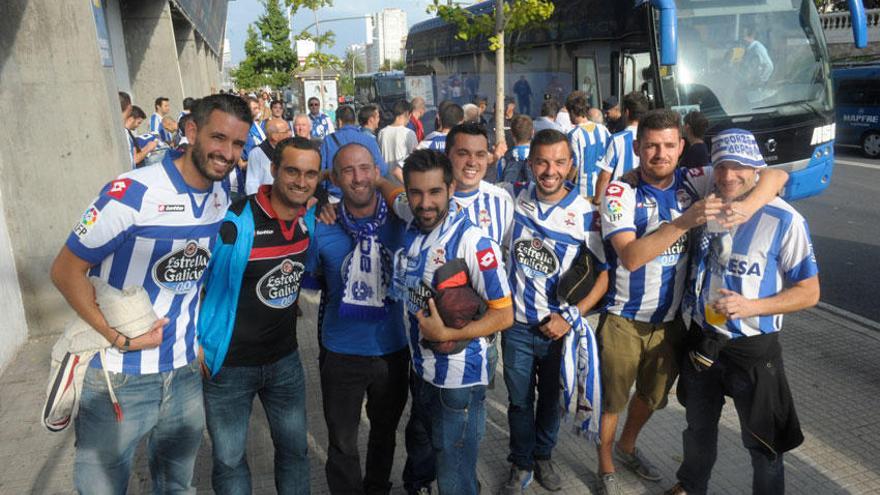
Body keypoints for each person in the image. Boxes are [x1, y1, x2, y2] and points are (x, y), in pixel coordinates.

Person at [49, 94, 251, 494]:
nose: (228, 153)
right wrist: (118, 338)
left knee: (177, 486)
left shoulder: (218, 197)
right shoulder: (131, 192)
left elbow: (196, 279)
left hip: (183, 376)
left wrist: (195, 344)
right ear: (191, 131)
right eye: (219, 138)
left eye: (238, 144)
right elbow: (65, 271)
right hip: (118, 377)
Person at [595, 110, 789, 495]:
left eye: (668, 145)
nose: (659, 153)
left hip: (672, 322)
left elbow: (775, 175)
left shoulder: (694, 181)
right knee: (613, 399)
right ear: (636, 147)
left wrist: (748, 208)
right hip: (624, 318)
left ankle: (628, 446)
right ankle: (605, 465)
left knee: (653, 396)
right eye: (650, 145)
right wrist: (684, 222)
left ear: (682, 148)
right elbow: (631, 257)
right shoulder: (620, 192)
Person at [665, 129, 819, 495]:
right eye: (722, 167)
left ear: (755, 169)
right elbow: (662, 171)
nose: (729, 176)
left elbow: (810, 292)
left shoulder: (786, 220)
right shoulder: (710, 198)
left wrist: (753, 306)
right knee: (698, 429)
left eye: (740, 168)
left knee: (763, 445)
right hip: (704, 340)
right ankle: (690, 486)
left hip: (754, 347)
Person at [199, 136, 320, 495]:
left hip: (285, 361)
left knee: (295, 453)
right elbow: (195, 283)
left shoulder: (308, 220)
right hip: (228, 367)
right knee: (230, 461)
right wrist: (196, 343)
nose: (301, 181)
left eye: (310, 174)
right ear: (273, 171)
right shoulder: (236, 221)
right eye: (293, 171)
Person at [395, 149, 514, 495]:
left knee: (455, 474)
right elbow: (390, 194)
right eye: (416, 192)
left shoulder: (473, 241)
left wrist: (447, 332)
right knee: (425, 445)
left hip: (458, 381)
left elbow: (504, 314)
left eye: (434, 192)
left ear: (450, 188)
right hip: (422, 371)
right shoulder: (412, 224)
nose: (425, 202)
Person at [499, 129, 609, 494]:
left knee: (550, 399)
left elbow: (603, 277)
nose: (550, 170)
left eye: (559, 162)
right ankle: (520, 461)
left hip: (557, 328)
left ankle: (543, 455)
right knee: (518, 401)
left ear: (571, 166)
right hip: (515, 325)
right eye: (542, 161)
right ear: (529, 163)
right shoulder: (511, 197)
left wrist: (571, 317)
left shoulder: (585, 214)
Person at [305, 143, 410, 494]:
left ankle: (378, 487)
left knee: (383, 433)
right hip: (341, 352)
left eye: (365, 168)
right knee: (342, 443)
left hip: (391, 350)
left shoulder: (402, 220)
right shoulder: (321, 225)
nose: (358, 177)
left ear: (377, 172)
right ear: (334, 178)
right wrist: (317, 203)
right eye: (348, 170)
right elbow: (309, 279)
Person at [319, 105, 388, 199]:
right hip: (362, 195)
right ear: (353, 120)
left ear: (339, 121)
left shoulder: (328, 140)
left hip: (336, 196)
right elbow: (382, 169)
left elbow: (322, 171)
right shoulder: (369, 140)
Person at [594, 91, 650, 206]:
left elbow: (605, 175)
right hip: (646, 199)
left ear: (627, 112)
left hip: (619, 201)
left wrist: (597, 201)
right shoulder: (652, 138)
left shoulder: (617, 139)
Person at [567, 93, 611, 202]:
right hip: (602, 187)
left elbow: (575, 163)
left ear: (572, 112)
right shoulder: (603, 129)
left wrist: (565, 183)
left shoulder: (574, 134)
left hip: (582, 189)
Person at [246, 118, 293, 195]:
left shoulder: (292, 151)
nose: (290, 134)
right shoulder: (257, 153)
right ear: (274, 136)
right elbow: (251, 185)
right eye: (286, 131)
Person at [378, 99, 419, 180]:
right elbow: (415, 159)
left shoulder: (382, 133)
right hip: (402, 182)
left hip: (387, 184)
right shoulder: (409, 133)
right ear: (407, 113)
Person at [496, 115, 533, 184]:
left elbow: (498, 185)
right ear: (532, 132)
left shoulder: (503, 161)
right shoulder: (538, 158)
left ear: (512, 134)